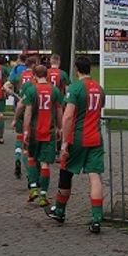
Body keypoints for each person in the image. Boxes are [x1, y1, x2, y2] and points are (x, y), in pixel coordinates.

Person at [46, 55, 105, 233]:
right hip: (96, 136)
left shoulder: (75, 88)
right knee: (94, 176)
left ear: (76, 70)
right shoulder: (100, 89)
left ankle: (60, 210)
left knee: (65, 172)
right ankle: (96, 219)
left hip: (78, 137)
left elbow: (69, 115)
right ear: (90, 69)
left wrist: (64, 142)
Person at [20, 64, 61, 207]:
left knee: (31, 158)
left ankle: (33, 188)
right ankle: (43, 195)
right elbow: (58, 111)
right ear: (47, 75)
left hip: (34, 131)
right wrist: (60, 128)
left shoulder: (31, 90)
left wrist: (25, 131)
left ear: (34, 76)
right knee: (45, 164)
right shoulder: (54, 90)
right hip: (49, 132)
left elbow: (28, 113)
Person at [9, 55, 38, 181]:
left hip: (20, 110)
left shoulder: (19, 76)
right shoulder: (36, 77)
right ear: (34, 64)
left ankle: (17, 159)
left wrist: (14, 94)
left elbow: (6, 85)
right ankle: (30, 174)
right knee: (29, 145)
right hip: (32, 112)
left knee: (19, 138)